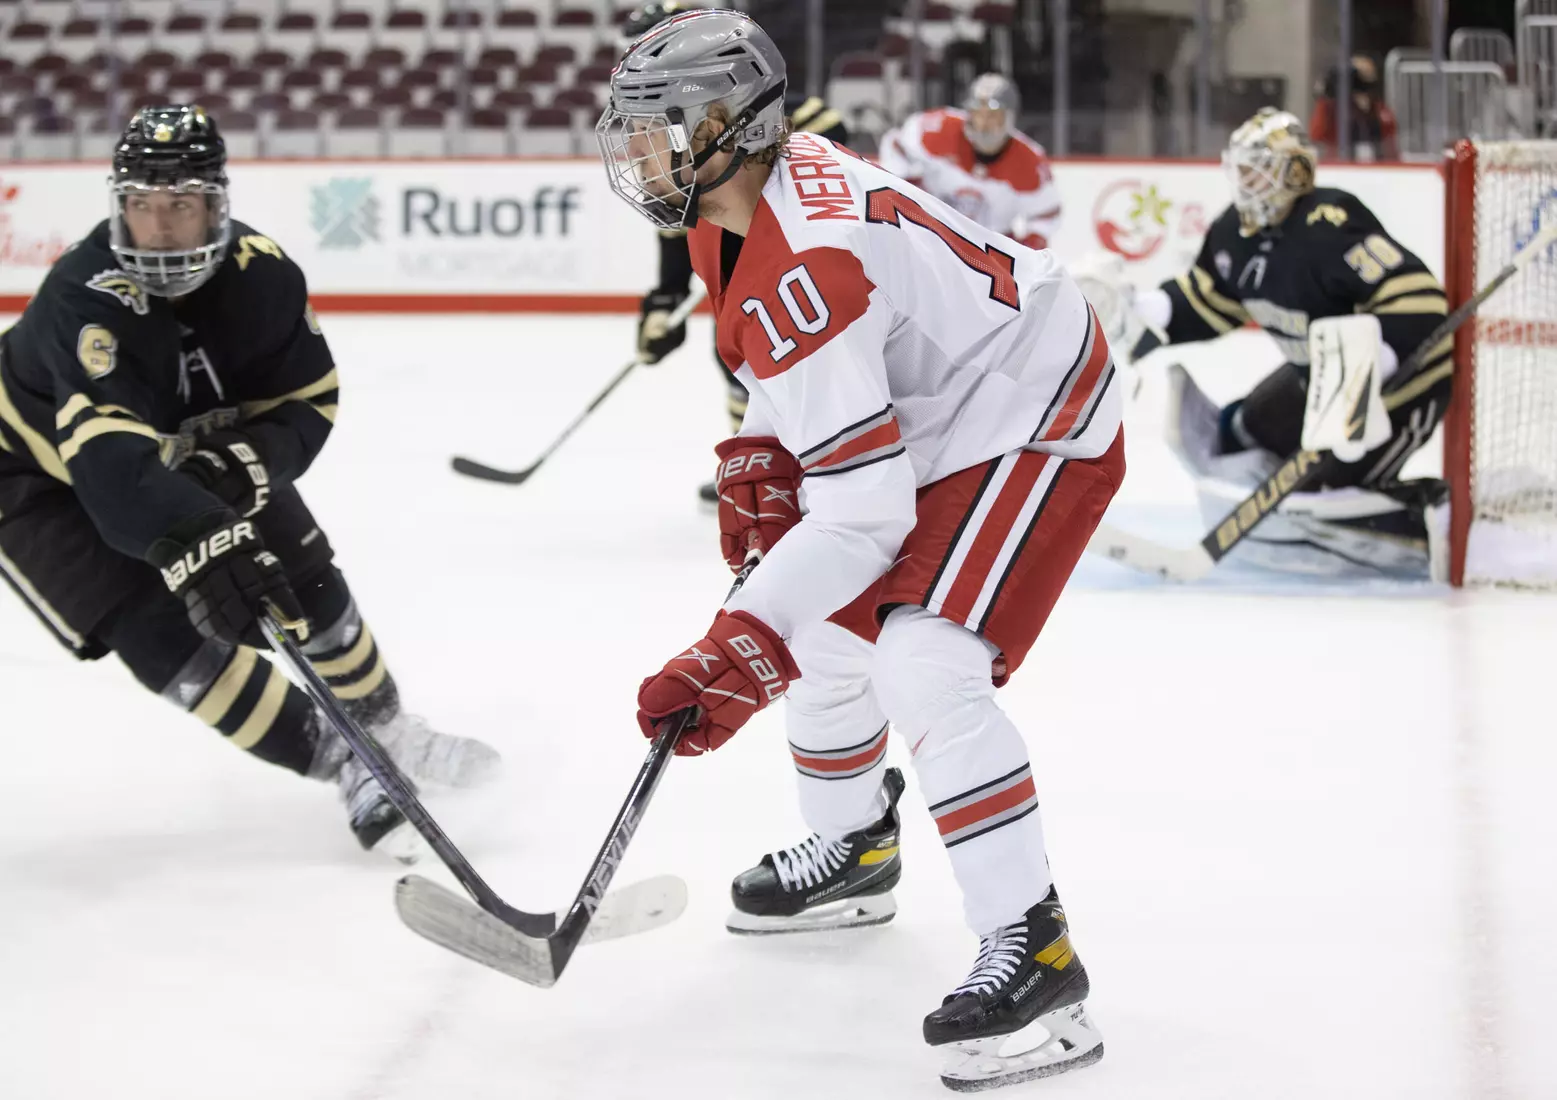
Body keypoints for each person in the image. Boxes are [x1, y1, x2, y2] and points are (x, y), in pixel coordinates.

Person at [597, 11, 1121, 1089]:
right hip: (946, 395)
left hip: (1034, 405)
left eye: (659, 126)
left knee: (921, 658)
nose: (638, 151)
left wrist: (736, 643)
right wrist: (757, 448)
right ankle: (853, 848)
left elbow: (864, 514)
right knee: (830, 637)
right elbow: (793, 377)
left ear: (727, 126)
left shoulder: (811, 264)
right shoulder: (738, 202)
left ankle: (1039, 951)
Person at [0, 105, 499, 859]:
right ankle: (347, 763)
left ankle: (387, 727)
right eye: (141, 205)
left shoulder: (262, 275)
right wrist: (201, 540)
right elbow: (109, 469)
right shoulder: (85, 298)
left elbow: (306, 401)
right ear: (117, 204)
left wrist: (244, 463)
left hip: (178, 449)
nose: (159, 226)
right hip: (35, 475)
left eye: (180, 205)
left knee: (301, 576)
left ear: (217, 204)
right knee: (161, 634)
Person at [1088, 107, 1450, 577]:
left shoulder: (1331, 223)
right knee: (1242, 431)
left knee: (1324, 489)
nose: (1243, 181)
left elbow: (1416, 300)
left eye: (1256, 168)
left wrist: (1367, 370)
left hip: (1402, 387)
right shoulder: (1232, 234)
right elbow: (1209, 300)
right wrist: (1142, 309)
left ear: (1294, 171)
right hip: (1317, 379)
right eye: (1239, 168)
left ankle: (1432, 514)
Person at [623, 0, 850, 506]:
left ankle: (810, 458)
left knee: (799, 353)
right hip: (737, 253)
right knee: (733, 354)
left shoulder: (751, 96)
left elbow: (827, 134)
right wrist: (664, 300)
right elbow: (679, 221)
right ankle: (758, 459)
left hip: (789, 252)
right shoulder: (669, 126)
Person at [877, 72, 1061, 251]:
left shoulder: (1029, 160)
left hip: (991, 251)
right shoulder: (939, 128)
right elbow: (895, 144)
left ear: (1009, 118)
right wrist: (907, 187)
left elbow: (1045, 214)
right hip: (932, 237)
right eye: (977, 114)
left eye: (993, 116)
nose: (983, 124)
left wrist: (1027, 250)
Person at [1308, 55, 1399, 163]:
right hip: (1335, 159)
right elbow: (1318, 134)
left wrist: (1367, 112)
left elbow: (1389, 138)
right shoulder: (1330, 106)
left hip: (1372, 161)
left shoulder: (1378, 108)